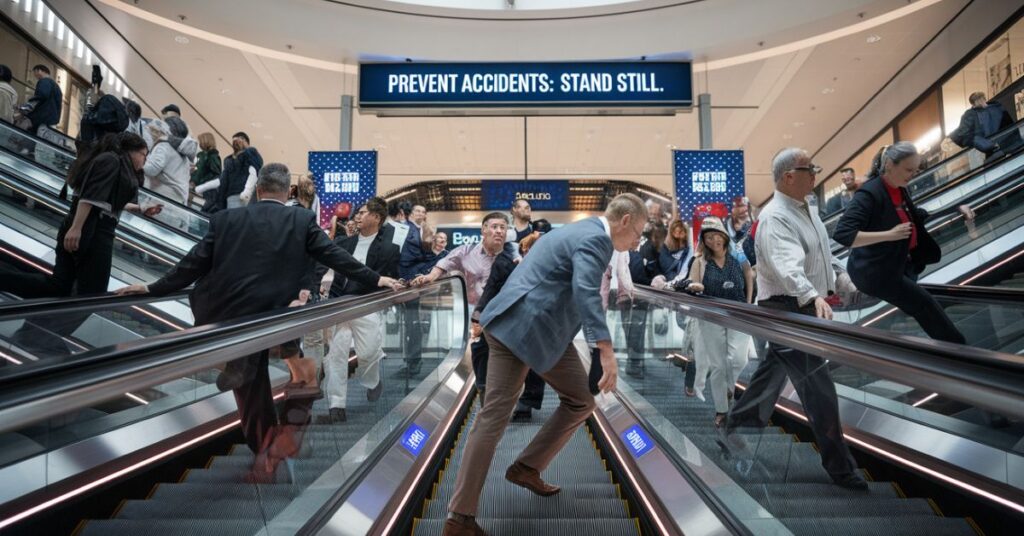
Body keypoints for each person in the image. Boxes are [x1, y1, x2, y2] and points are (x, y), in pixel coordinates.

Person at [115, 163, 402, 479]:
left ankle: (264, 448)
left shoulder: (226, 219)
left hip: (236, 318)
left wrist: (154, 287)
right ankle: (288, 424)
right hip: (281, 315)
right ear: (286, 190)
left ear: (259, 190)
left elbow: (193, 263)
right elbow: (337, 257)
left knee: (250, 389)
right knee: (296, 369)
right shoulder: (301, 219)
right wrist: (378, 280)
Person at [442, 194, 646, 536]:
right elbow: (585, 290)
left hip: (531, 328)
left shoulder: (576, 231)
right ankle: (460, 518)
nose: (638, 241)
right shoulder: (597, 239)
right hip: (523, 331)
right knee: (495, 416)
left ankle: (525, 468)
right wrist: (605, 349)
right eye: (638, 232)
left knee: (578, 400)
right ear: (624, 221)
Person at [719, 147, 868, 491]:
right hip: (787, 309)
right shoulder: (774, 217)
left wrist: (838, 277)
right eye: (808, 169)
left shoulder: (808, 208)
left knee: (771, 375)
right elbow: (787, 265)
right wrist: (812, 294)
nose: (815, 174)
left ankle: (732, 426)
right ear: (788, 176)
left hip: (796, 305)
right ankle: (840, 467)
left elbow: (823, 249)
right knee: (819, 389)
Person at [833, 142, 966, 344]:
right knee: (925, 304)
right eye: (908, 169)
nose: (912, 174)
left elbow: (914, 215)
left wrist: (957, 208)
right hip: (874, 272)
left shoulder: (899, 188)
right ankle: (965, 356)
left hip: (900, 264)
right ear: (889, 165)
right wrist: (889, 234)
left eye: (915, 169)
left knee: (920, 300)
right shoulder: (868, 194)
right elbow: (843, 234)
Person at [0, 133, 161, 298]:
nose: (145, 161)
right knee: (92, 294)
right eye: (144, 155)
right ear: (131, 151)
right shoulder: (112, 160)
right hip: (94, 230)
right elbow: (89, 196)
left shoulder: (115, 163)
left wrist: (140, 208)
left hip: (92, 227)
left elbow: (106, 201)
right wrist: (76, 228)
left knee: (60, 287)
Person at [412, 212, 515, 395]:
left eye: (503, 227)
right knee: (480, 354)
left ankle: (502, 396)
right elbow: (445, 263)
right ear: (483, 230)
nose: (499, 231)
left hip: (504, 316)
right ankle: (484, 392)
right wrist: (430, 277)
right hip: (477, 316)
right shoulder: (466, 251)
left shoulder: (512, 256)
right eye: (494, 227)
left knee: (503, 358)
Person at [318, 198, 400, 424]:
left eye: (363, 213)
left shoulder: (388, 249)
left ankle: (372, 380)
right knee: (336, 354)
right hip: (340, 304)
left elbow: (391, 276)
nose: (357, 216)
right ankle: (336, 405)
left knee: (368, 353)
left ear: (376, 217)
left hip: (366, 305)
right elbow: (324, 264)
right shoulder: (344, 243)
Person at [682, 217, 752, 427]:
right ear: (704, 241)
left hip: (738, 314)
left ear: (724, 235)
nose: (714, 241)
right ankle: (721, 410)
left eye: (717, 235)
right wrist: (695, 287)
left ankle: (730, 386)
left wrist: (748, 303)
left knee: (740, 359)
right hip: (710, 317)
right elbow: (693, 281)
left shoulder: (737, 256)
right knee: (718, 366)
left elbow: (749, 275)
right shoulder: (700, 261)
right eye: (709, 238)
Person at [621, 223, 665, 378]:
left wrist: (658, 279)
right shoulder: (621, 250)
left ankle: (635, 362)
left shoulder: (648, 249)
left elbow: (655, 269)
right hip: (624, 297)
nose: (636, 238)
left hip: (643, 297)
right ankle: (633, 362)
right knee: (629, 329)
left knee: (637, 330)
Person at [143, 119, 191, 206]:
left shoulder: (164, 145)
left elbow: (152, 169)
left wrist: (137, 163)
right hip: (179, 200)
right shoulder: (183, 153)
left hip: (163, 198)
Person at [948, 92, 1010, 157]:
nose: (981, 101)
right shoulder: (972, 113)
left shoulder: (993, 107)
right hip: (994, 144)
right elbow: (965, 134)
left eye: (982, 99)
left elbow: (965, 133)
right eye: (979, 100)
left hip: (998, 142)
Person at [218, 131, 263, 209]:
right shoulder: (228, 159)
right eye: (234, 141)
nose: (235, 143)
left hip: (244, 194)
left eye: (239, 140)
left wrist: (247, 191)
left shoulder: (251, 152)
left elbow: (254, 171)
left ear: (245, 141)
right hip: (232, 195)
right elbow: (224, 181)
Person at [23, 65, 62, 135]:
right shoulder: (55, 86)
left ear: (40, 71)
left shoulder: (44, 81)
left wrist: (25, 109)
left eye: (35, 72)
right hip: (51, 122)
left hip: (43, 121)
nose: (35, 75)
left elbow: (40, 96)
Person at [191, 132, 222, 212]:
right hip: (199, 189)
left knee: (196, 210)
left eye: (201, 141)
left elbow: (215, 174)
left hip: (205, 192)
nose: (200, 143)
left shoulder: (212, 156)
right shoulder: (202, 155)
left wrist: (200, 181)